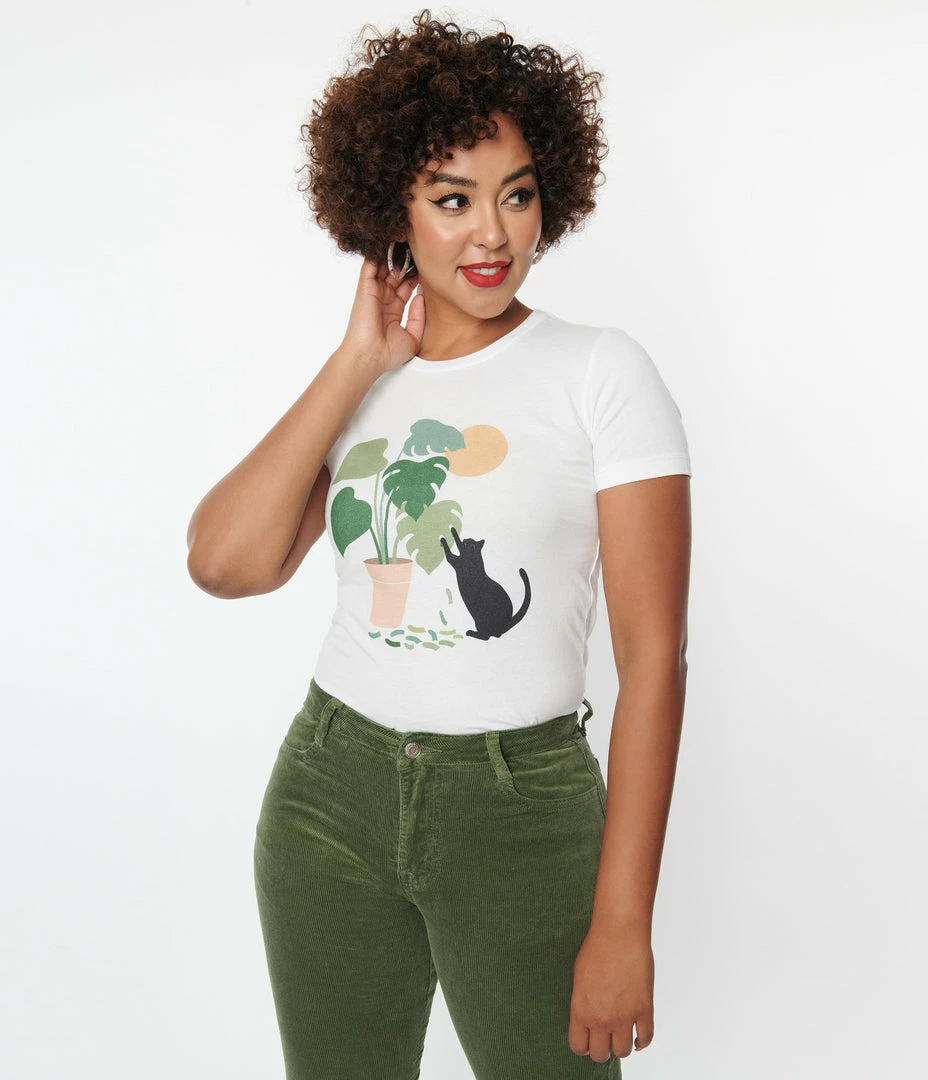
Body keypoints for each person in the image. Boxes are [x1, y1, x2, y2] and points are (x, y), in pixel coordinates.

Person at [186, 9, 692, 1079]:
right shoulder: (369, 381)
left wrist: (623, 923)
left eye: (517, 194)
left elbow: (653, 660)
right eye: (452, 199)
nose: (493, 235)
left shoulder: (601, 372)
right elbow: (225, 564)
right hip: (330, 790)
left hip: (520, 811)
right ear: (392, 211)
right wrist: (355, 362)